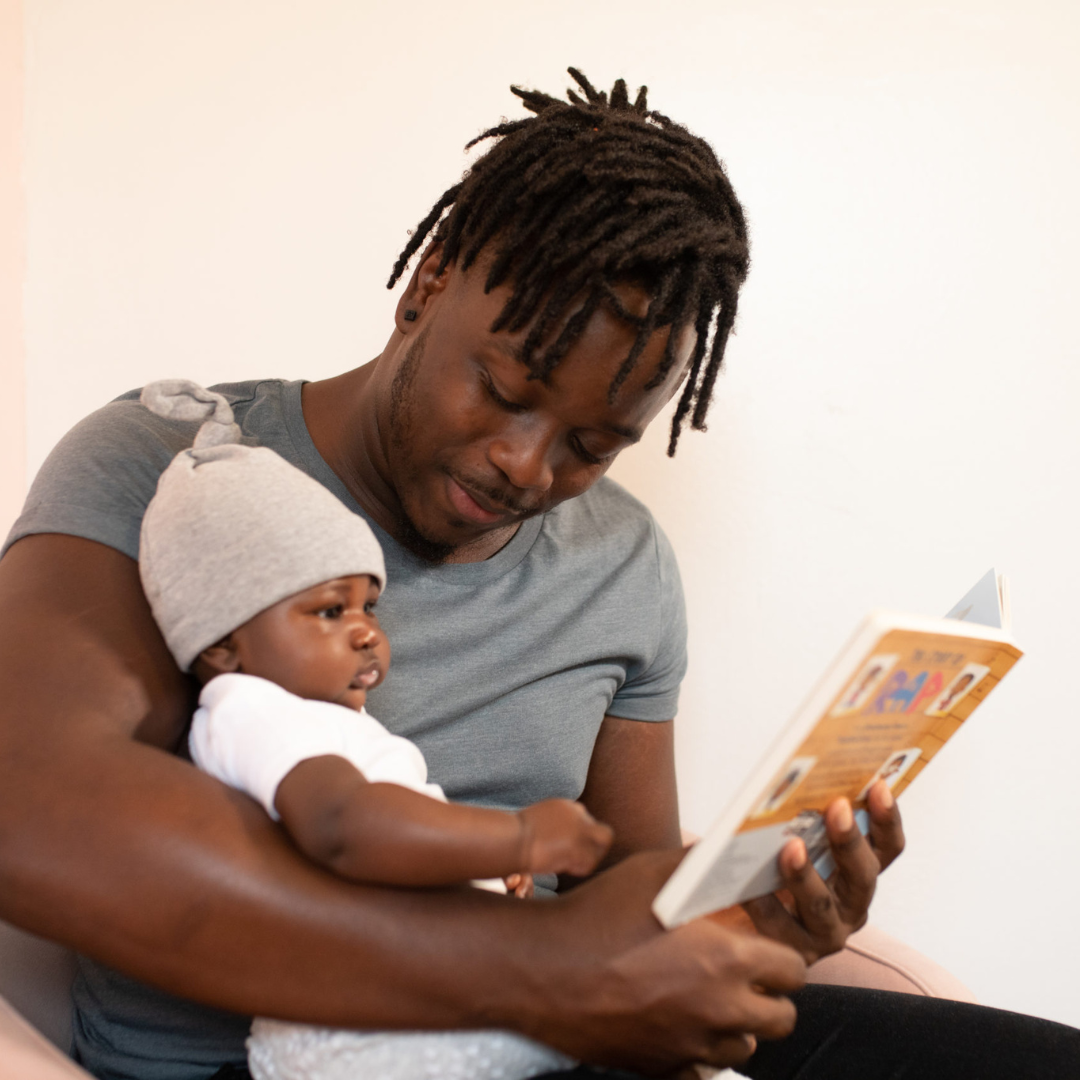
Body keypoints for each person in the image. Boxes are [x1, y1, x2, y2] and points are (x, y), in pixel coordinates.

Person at [0, 68, 1075, 1080]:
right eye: (507, 387)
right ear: (427, 285)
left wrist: (765, 921)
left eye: (592, 444)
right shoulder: (176, 466)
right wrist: (537, 967)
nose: (528, 464)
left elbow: (626, 894)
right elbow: (33, 804)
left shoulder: (622, 563)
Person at [137, 377, 612, 1080]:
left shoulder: (317, 721)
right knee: (620, 1019)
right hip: (347, 1037)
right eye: (331, 611)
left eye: (371, 608)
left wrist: (482, 867)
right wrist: (517, 836)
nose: (366, 633)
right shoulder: (250, 711)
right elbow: (344, 826)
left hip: (382, 1013)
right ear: (221, 645)